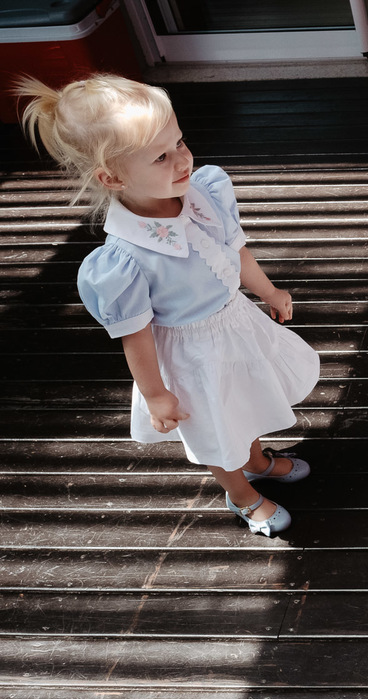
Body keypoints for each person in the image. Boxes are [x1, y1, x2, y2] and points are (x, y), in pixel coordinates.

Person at [16, 74, 320, 537]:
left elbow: (236, 251)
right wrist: (156, 393)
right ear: (112, 177)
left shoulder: (204, 193)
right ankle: (241, 493)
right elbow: (135, 334)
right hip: (191, 354)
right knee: (217, 426)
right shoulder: (124, 259)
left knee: (243, 400)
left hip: (234, 324)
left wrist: (268, 290)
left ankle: (256, 459)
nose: (182, 159)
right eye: (161, 156)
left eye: (179, 142)